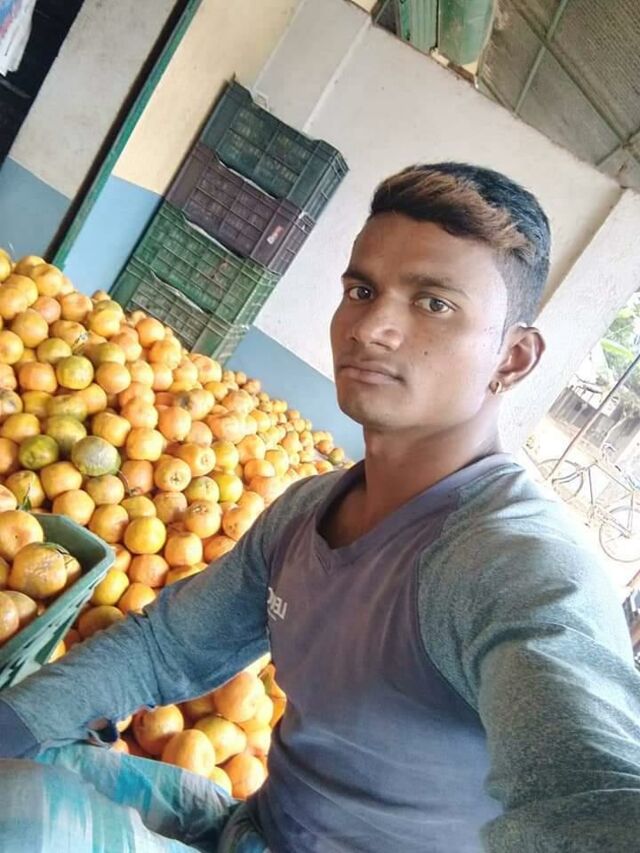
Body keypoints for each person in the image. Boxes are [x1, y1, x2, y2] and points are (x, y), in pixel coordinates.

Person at [1, 163, 640, 853]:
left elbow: (591, 795)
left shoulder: (514, 565)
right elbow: (169, 646)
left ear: (512, 358)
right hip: (249, 825)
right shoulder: (307, 511)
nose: (373, 327)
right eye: (362, 290)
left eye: (433, 303)